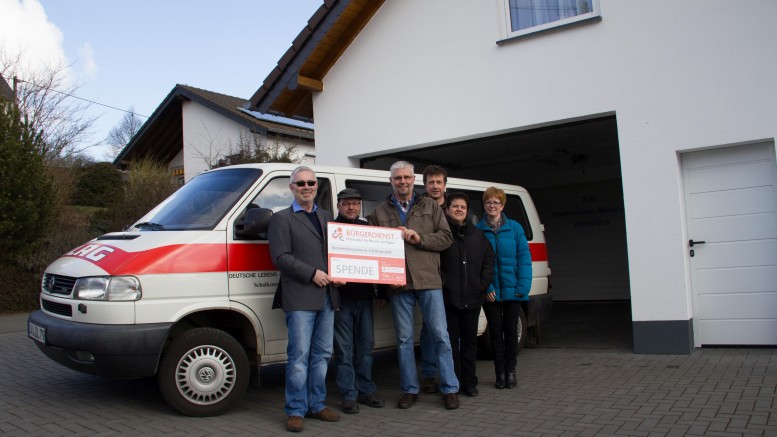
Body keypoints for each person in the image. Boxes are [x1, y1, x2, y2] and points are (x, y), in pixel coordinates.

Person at [368, 160, 460, 410]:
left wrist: (419, 238)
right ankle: (410, 389)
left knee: (441, 336)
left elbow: (446, 238)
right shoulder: (379, 211)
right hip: (399, 284)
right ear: (391, 181)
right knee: (405, 340)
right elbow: (372, 249)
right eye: (397, 178)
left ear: (413, 180)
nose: (403, 182)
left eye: (407, 177)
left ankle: (450, 387)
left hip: (429, 280)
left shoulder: (430, 205)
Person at [268, 166, 342, 433]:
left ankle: (317, 405)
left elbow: (336, 254)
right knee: (298, 356)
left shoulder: (326, 217)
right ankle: (296, 410)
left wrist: (340, 273)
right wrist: (312, 273)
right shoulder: (281, 219)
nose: (307, 187)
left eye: (311, 182)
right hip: (300, 296)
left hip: (328, 296)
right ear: (292, 188)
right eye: (301, 183)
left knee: (322, 355)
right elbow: (280, 257)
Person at [332, 188, 387, 414]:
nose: (351, 207)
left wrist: (382, 292)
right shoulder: (332, 230)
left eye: (355, 203)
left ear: (360, 206)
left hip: (365, 299)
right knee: (344, 350)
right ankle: (348, 395)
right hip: (341, 300)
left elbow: (380, 259)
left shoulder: (368, 229)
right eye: (346, 203)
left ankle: (366, 390)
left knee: (365, 347)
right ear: (339, 206)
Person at [475, 186, 532, 390]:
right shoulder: (478, 230)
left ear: (502, 205)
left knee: (510, 332)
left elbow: (524, 259)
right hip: (490, 293)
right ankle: (499, 373)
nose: (492, 205)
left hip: (513, 291)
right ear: (484, 205)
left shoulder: (515, 228)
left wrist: (523, 287)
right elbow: (477, 263)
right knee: (495, 334)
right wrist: (486, 287)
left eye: (496, 202)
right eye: (488, 202)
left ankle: (511, 372)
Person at [440, 192, 495, 397]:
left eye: (463, 207)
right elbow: (435, 264)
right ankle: (452, 383)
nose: (459, 210)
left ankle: (470, 383)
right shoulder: (442, 235)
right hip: (449, 299)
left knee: (470, 344)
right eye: (455, 206)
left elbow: (489, 261)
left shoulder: (478, 236)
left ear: (467, 210)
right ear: (447, 210)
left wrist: (482, 284)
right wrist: (444, 282)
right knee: (451, 344)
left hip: (473, 298)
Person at [417, 164, 449, 394]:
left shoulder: (457, 207)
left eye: (439, 182)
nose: (435, 186)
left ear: (445, 184)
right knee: (430, 328)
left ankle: (451, 373)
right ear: (425, 185)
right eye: (431, 182)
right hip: (428, 277)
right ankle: (429, 374)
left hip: (454, 276)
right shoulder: (418, 207)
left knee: (449, 329)